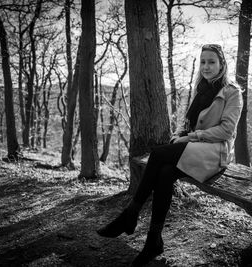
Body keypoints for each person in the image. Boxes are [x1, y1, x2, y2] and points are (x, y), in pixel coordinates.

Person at [97, 44, 243, 266]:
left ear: (222, 64)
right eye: (203, 62)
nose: (206, 66)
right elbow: (187, 122)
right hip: (195, 149)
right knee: (164, 173)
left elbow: (226, 131)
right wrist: (179, 135)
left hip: (215, 153)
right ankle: (153, 241)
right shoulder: (201, 89)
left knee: (157, 154)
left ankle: (131, 214)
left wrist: (189, 138)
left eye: (212, 62)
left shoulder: (232, 92)